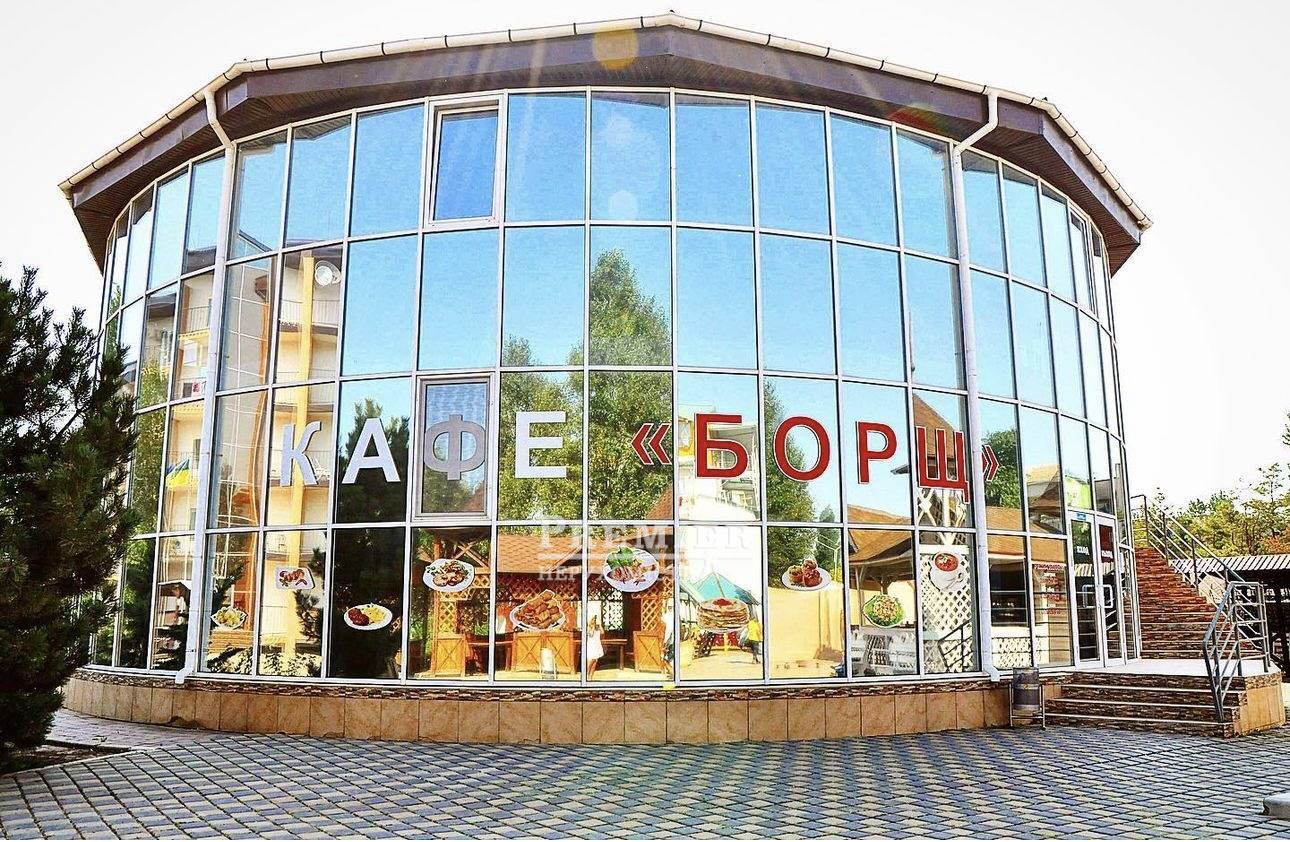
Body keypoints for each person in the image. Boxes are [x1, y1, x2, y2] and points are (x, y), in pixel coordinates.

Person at [586, 615, 604, 679]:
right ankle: (586, 675)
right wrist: (593, 627)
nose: (594, 621)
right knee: (590, 660)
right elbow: (591, 634)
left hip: (597, 645)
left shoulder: (597, 627)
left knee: (595, 661)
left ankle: (591, 677)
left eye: (595, 620)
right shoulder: (588, 627)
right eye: (593, 620)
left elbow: (602, 632)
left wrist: (600, 625)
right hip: (591, 646)